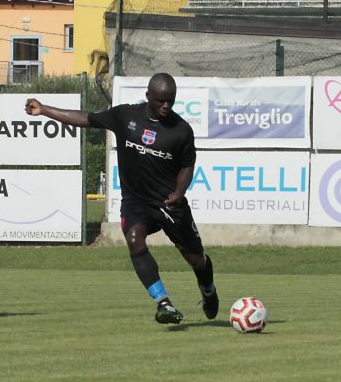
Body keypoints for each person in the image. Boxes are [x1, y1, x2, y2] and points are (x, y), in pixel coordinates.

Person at [24, 72, 218, 325]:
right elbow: (86, 118)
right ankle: (163, 303)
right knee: (134, 239)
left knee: (195, 259)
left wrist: (180, 192)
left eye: (170, 100)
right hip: (136, 201)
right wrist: (44, 110)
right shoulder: (125, 116)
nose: (166, 106)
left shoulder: (181, 130)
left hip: (169, 203)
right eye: (161, 100)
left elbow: (187, 167)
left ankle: (208, 289)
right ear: (148, 96)